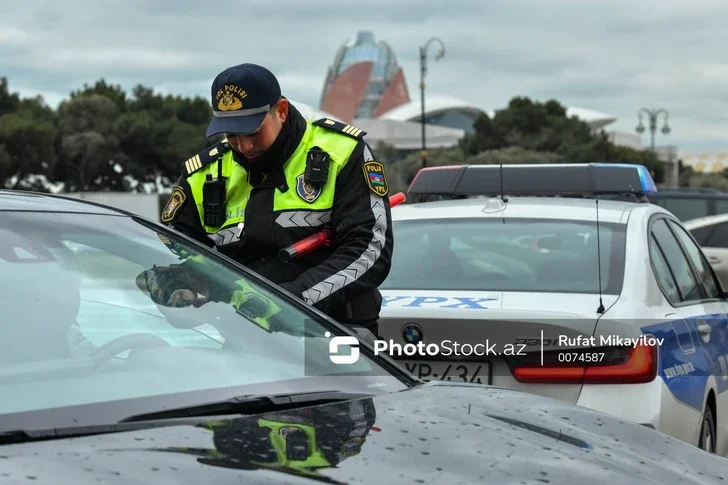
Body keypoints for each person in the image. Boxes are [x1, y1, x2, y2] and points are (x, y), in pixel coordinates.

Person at [160, 63, 393, 337]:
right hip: (246, 338)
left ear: (281, 111)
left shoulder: (342, 153)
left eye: (253, 132)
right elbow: (176, 248)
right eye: (231, 135)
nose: (243, 146)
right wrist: (180, 284)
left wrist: (288, 304)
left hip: (333, 331)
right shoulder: (203, 173)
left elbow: (369, 250)